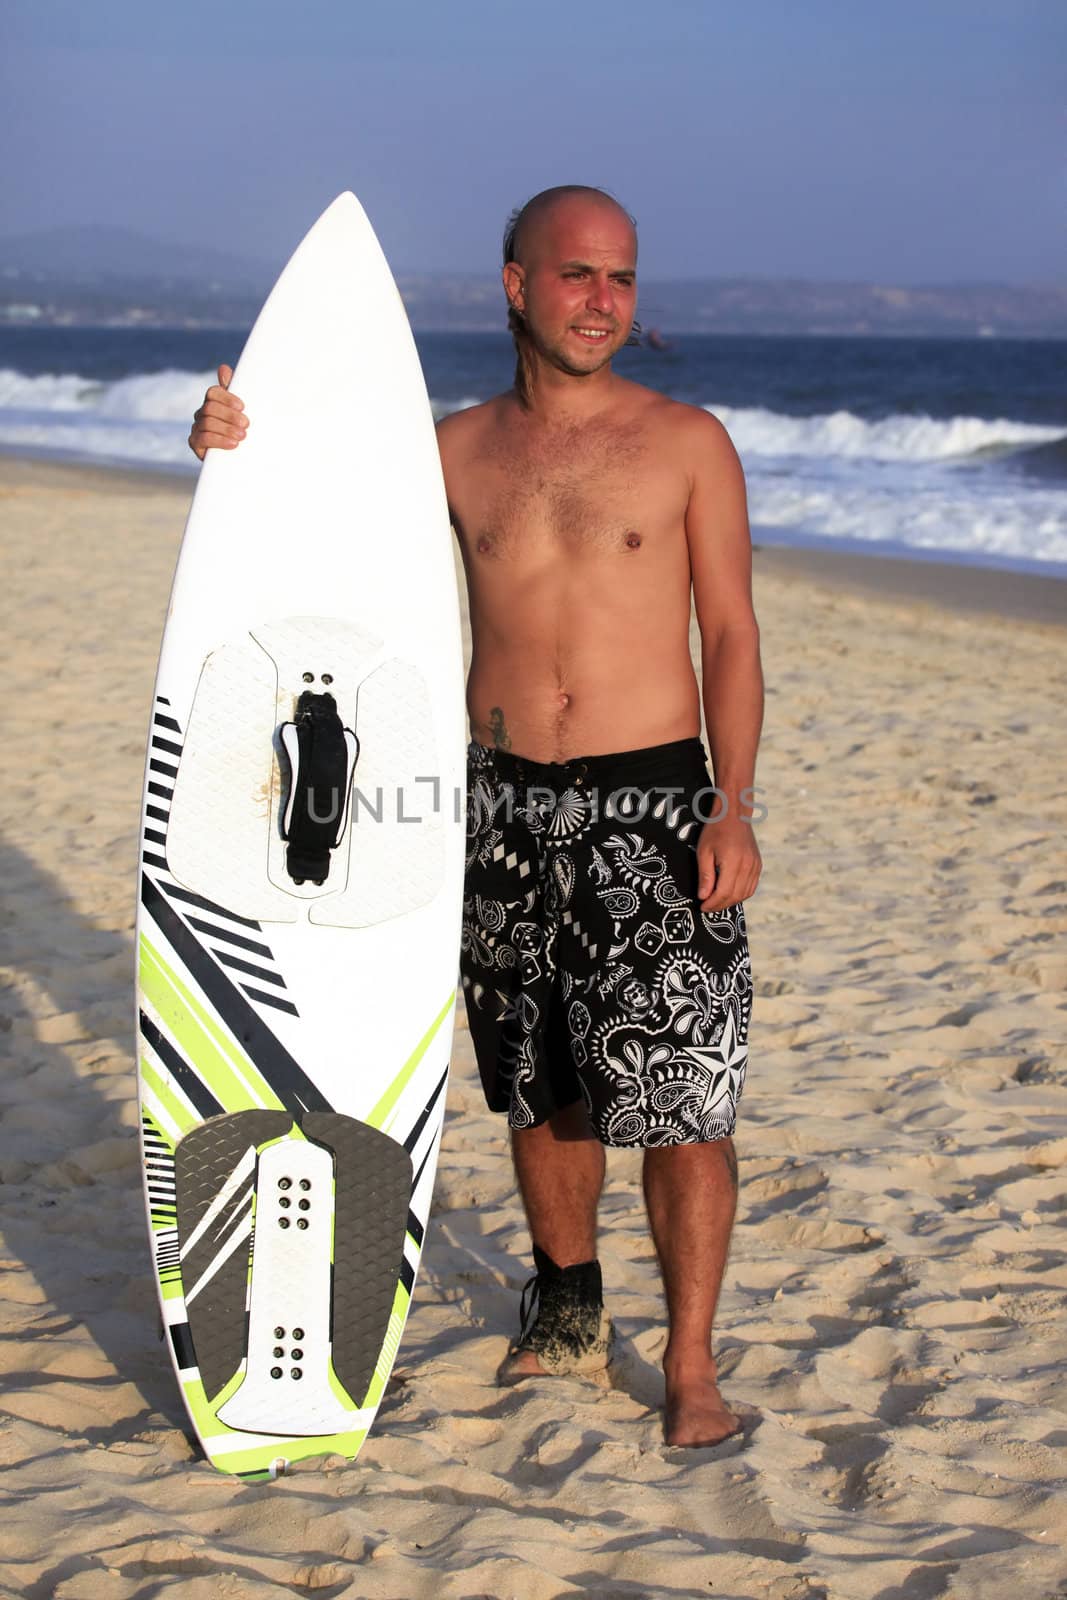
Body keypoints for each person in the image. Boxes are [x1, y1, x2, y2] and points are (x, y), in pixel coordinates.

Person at [188, 185, 764, 1448]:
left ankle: (692, 1362)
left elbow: (727, 630)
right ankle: (564, 1311)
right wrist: (228, 438)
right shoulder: (448, 452)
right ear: (515, 285)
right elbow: (310, 518)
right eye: (575, 276)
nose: (601, 301)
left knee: (682, 1094)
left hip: (653, 800)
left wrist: (731, 801)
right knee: (535, 1078)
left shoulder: (685, 443)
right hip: (495, 801)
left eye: (619, 278)